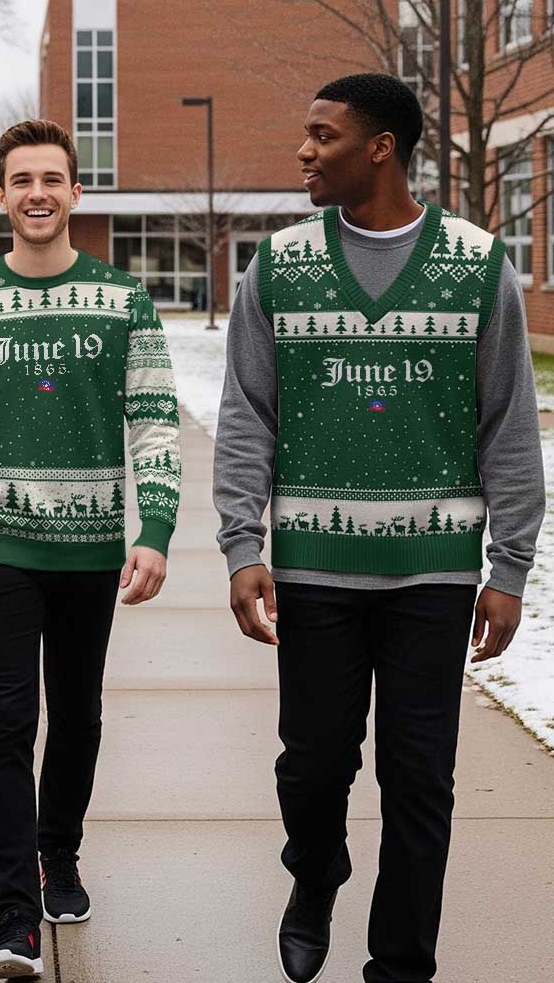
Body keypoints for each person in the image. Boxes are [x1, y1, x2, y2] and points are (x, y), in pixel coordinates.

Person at [214, 72, 545, 983]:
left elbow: (508, 423)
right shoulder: (279, 264)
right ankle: (314, 873)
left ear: (382, 148)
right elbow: (248, 413)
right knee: (312, 769)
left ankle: (401, 964)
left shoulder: (477, 264)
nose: (304, 151)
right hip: (315, 571)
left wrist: (510, 567)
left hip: (434, 577)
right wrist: (243, 545)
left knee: (419, 783)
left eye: (323, 135)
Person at [0, 119, 181, 980]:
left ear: (75, 191)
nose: (37, 193)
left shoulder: (123, 300)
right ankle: (14, 919)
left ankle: (57, 854)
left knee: (78, 711)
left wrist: (157, 528)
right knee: (6, 720)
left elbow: (154, 420)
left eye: (52, 179)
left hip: (91, 545)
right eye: (21, 179)